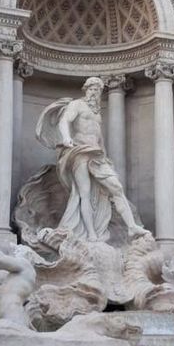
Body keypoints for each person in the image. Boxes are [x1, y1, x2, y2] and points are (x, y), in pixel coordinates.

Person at [36, 76, 147, 241]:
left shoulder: (97, 113)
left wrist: (105, 155)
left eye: (98, 90)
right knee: (84, 194)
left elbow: (98, 136)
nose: (95, 93)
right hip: (79, 151)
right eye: (92, 89)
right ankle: (91, 234)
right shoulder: (77, 105)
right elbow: (64, 121)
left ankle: (131, 227)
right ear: (86, 89)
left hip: (96, 154)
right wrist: (66, 138)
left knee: (116, 188)